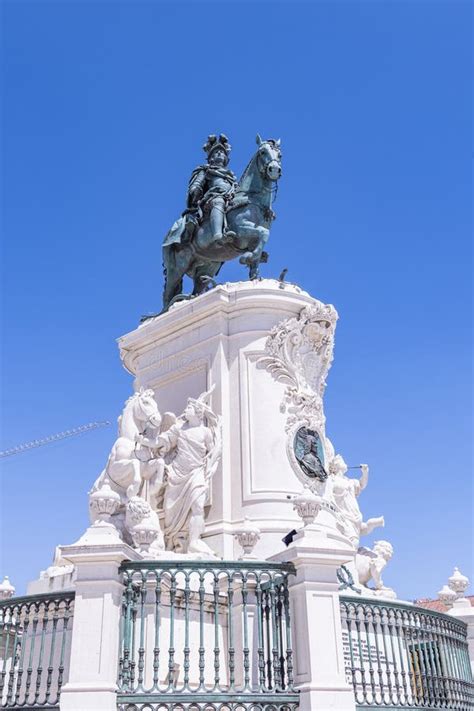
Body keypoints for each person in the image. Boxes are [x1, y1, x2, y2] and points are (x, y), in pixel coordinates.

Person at [157, 392, 221, 555]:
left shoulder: (205, 432)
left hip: (196, 472)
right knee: (170, 513)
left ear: (198, 412)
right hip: (177, 474)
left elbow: (212, 449)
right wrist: (151, 443)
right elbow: (164, 440)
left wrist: (212, 461)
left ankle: (194, 541)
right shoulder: (179, 428)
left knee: (198, 506)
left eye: (190, 408)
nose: (186, 410)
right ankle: (173, 539)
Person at [182, 133, 237, 248]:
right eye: (216, 152)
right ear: (211, 158)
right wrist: (195, 189)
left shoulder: (231, 176)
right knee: (219, 202)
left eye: (222, 152)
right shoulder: (206, 170)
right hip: (212, 198)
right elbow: (197, 183)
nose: (219, 153)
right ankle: (218, 236)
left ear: (226, 158)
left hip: (230, 197)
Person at [329, 456, 384, 547]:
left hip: (355, 514)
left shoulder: (351, 481)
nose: (345, 463)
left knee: (354, 540)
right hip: (341, 514)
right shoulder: (332, 480)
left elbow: (362, 484)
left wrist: (365, 473)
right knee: (353, 541)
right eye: (343, 462)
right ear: (336, 466)